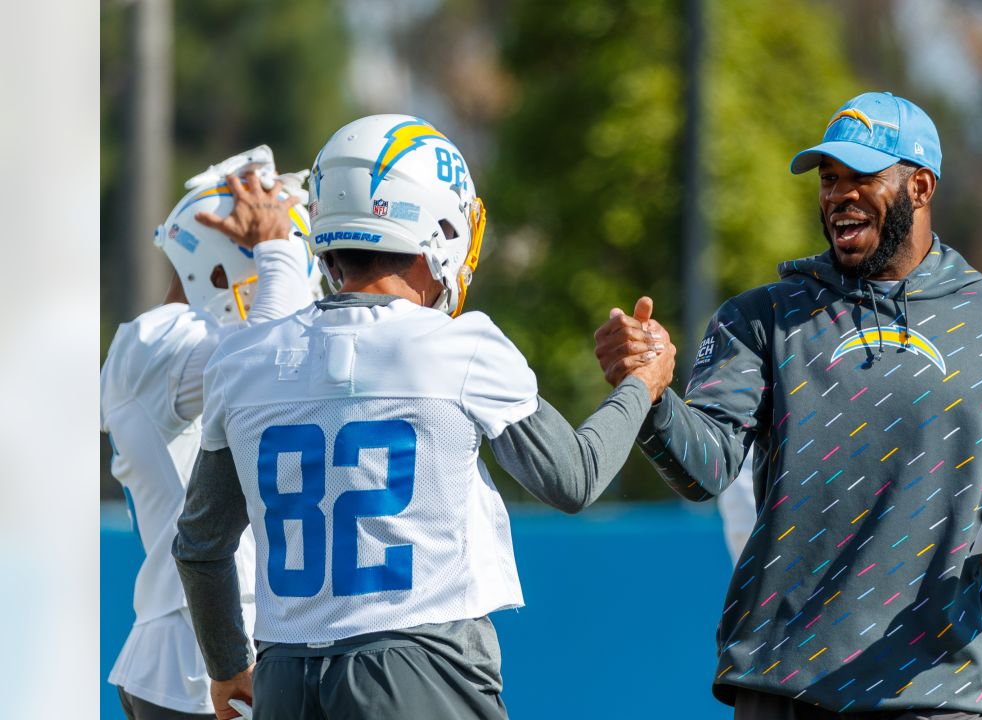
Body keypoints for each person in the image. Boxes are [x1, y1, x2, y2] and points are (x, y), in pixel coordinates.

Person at [594, 91, 982, 719]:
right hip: (784, 684)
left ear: (920, 186)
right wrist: (648, 394)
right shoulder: (763, 319)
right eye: (828, 179)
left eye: (861, 177)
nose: (838, 195)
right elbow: (705, 470)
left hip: (936, 690)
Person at [171, 114, 674, 720]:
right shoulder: (462, 347)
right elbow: (575, 478)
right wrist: (640, 387)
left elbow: (201, 544)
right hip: (418, 668)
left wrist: (227, 669)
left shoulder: (243, 359)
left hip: (286, 676)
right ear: (437, 226)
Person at [101, 146, 322, 720]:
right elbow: (271, 354)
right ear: (224, 264)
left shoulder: (186, 349)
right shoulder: (155, 340)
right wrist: (277, 247)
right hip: (195, 663)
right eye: (272, 253)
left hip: (215, 647)